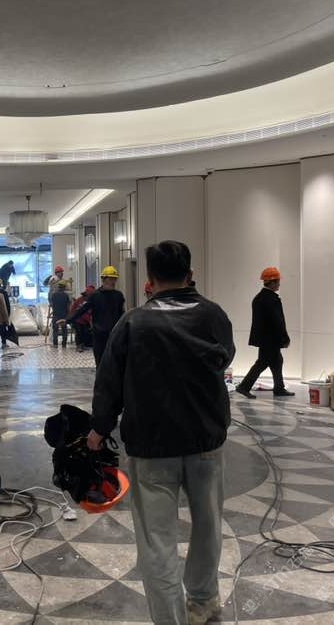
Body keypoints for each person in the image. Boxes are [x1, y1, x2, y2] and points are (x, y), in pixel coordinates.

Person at [88, 240, 235, 625]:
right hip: (205, 441)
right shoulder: (213, 315)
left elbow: (109, 381)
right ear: (190, 274)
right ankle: (203, 601)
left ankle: (170, 619)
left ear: (149, 280)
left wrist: (99, 428)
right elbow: (225, 358)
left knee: (157, 540)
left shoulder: (133, 322)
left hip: (151, 445)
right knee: (208, 526)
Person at [235, 267, 295, 399]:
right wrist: (285, 338)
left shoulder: (259, 298)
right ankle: (244, 386)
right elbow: (278, 321)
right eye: (278, 281)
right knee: (262, 363)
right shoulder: (271, 299)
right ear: (272, 282)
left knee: (277, 361)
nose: (279, 284)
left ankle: (279, 388)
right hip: (271, 340)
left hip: (264, 339)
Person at [68, 266, 125, 365]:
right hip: (99, 337)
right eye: (111, 279)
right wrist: (67, 320)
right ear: (103, 279)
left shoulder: (118, 296)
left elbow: (122, 315)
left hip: (114, 336)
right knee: (100, 364)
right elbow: (82, 310)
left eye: (115, 279)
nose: (113, 281)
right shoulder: (95, 296)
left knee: (114, 365)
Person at [70, 286, 95, 351]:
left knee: (85, 332)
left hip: (85, 320)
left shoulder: (90, 300)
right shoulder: (80, 300)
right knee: (79, 333)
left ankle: (83, 345)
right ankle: (78, 346)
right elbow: (79, 311)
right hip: (78, 319)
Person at [50, 281, 72, 347]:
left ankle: (55, 344)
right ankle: (64, 344)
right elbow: (68, 306)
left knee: (55, 330)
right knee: (64, 330)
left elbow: (52, 304)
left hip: (56, 315)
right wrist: (69, 314)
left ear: (58, 287)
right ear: (64, 288)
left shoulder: (54, 295)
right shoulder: (66, 295)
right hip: (64, 315)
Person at [0, 280, 12, 348]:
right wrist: (7, 315)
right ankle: (4, 343)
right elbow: (7, 305)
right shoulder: (3, 293)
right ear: (1, 285)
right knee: (3, 329)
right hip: (2, 314)